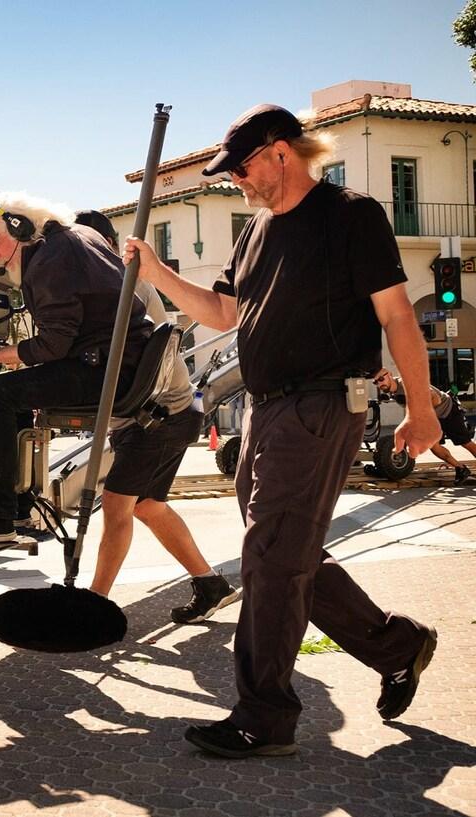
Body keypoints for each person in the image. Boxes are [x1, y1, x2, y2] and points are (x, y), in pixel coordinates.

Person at [125, 103, 439, 758]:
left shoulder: (351, 216)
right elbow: (223, 310)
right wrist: (156, 272)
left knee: (270, 556)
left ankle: (265, 715)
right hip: (265, 409)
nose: (235, 180)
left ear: (279, 153)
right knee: (285, 550)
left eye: (240, 168)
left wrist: (421, 404)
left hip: (324, 403)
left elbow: (397, 316)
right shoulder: (256, 232)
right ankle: (396, 644)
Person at [0, 193, 153, 544]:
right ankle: (17, 506)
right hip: (118, 361)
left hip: (106, 371)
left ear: (19, 226)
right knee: (12, 391)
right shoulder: (76, 236)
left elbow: (53, 345)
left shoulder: (49, 259)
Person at [71, 210, 240, 624]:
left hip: (159, 415)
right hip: (158, 415)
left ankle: (96, 605)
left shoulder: (124, 285)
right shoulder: (102, 285)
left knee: (116, 504)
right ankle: (210, 584)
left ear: (106, 246)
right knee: (147, 506)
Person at [372, 367, 474, 484]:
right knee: (432, 445)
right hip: (433, 417)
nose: (379, 383)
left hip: (448, 410)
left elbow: (436, 399)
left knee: (465, 442)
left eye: (381, 379)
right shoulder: (393, 391)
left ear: (389, 374)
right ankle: (461, 469)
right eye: (375, 382)